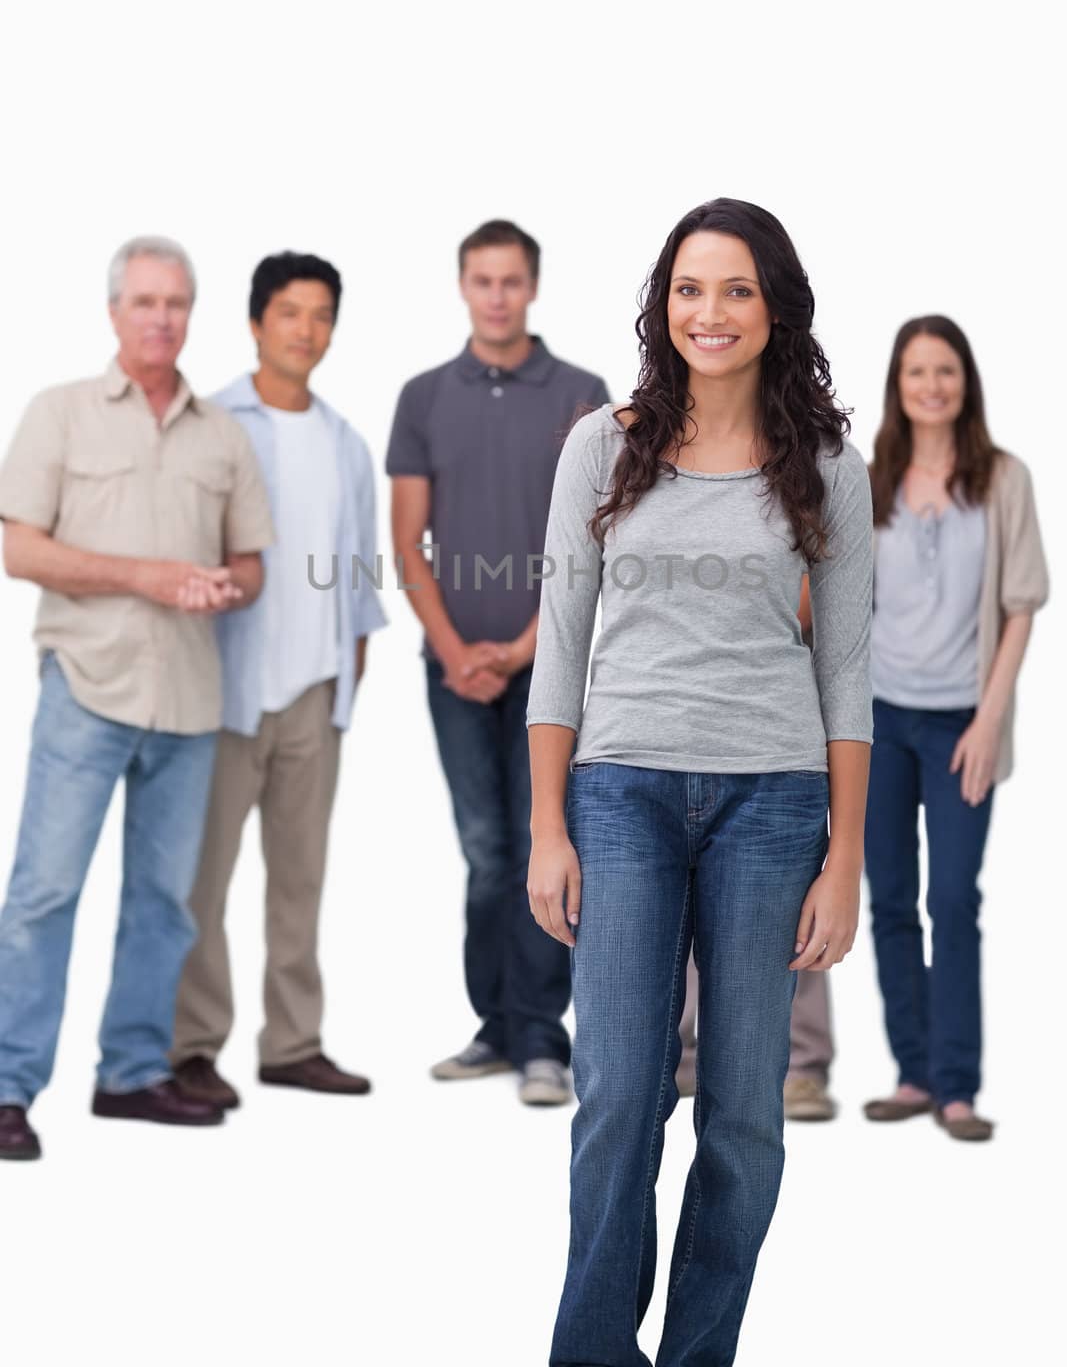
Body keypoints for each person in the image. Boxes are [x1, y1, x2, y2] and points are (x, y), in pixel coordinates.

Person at [526, 197, 873, 1365]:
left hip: (771, 804)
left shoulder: (826, 464)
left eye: (733, 289)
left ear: (773, 307)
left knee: (742, 1118)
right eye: (687, 288)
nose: (708, 312)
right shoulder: (599, 444)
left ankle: (696, 1355)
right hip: (617, 793)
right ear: (659, 304)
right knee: (617, 1098)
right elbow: (559, 643)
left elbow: (845, 669)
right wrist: (545, 825)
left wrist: (845, 858)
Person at [0, 236, 274, 1164]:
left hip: (191, 702)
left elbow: (250, 566)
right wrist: (148, 578)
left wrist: (221, 590)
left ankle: (130, 1073)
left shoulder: (221, 435)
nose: (161, 317)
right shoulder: (60, 413)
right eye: (145, 301)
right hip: (87, 686)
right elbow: (20, 549)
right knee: (43, 893)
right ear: (115, 311)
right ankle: (6, 1087)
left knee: (164, 901)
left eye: (176, 303)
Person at [386, 219, 609, 1107]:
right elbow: (408, 545)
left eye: (511, 280)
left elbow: (595, 542)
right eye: (482, 280)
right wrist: (452, 651)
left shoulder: (583, 394)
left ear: (533, 286)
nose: (496, 295)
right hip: (451, 672)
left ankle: (542, 1040)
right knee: (484, 852)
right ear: (462, 286)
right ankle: (497, 1027)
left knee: (540, 845)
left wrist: (521, 650)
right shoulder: (423, 396)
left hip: (546, 669)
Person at [171, 252, 387, 1109]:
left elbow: (362, 582)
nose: (306, 330)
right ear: (256, 321)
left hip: (313, 694)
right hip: (221, 690)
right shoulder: (212, 423)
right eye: (290, 312)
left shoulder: (345, 443)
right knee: (201, 883)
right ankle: (191, 1046)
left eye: (321, 314)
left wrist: (345, 687)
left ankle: (292, 1043)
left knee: (300, 880)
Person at [862, 316, 1048, 1143]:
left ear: (964, 382)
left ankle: (957, 1086)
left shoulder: (1002, 478)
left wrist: (987, 719)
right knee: (891, 899)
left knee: (952, 898)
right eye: (915, 373)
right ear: (896, 387)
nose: (931, 386)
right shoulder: (870, 481)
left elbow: (1019, 607)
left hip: (958, 726)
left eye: (944, 371)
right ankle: (911, 1074)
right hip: (875, 720)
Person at [676, 581, 841, 1123]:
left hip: (781, 705)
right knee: (684, 892)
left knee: (787, 911)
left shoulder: (833, 493)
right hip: (679, 697)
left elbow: (823, 569)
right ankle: (686, 1054)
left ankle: (801, 1064)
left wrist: (750, 613)